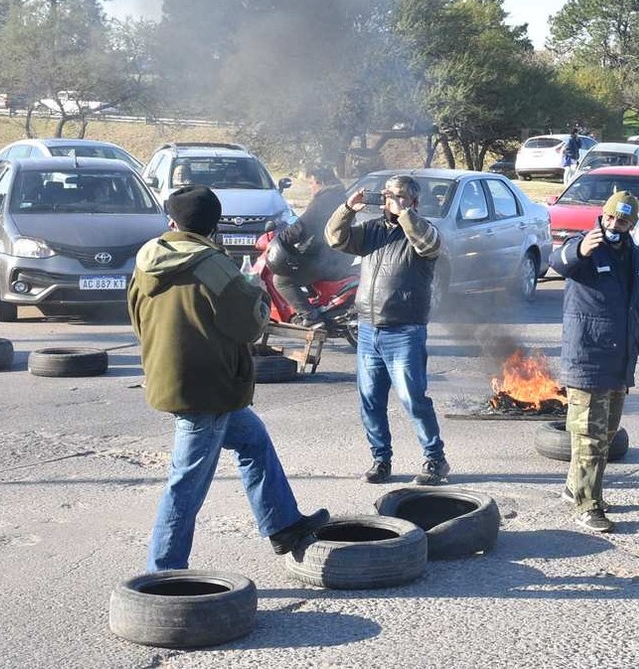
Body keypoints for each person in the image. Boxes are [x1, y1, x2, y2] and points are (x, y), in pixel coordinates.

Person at [129, 184, 328, 571]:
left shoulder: (146, 260)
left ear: (172, 222)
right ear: (214, 225)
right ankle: (163, 572)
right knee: (186, 484)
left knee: (253, 440)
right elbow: (250, 325)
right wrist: (259, 297)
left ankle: (283, 524)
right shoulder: (212, 265)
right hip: (209, 386)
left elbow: (136, 316)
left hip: (172, 378)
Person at [325, 173, 450, 486]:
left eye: (398, 196)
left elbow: (428, 244)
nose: (389, 202)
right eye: (387, 196)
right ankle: (381, 460)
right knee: (370, 399)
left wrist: (404, 211)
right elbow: (335, 238)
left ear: (414, 201)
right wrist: (348, 209)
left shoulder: (424, 232)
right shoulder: (372, 231)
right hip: (369, 329)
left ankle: (435, 459)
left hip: (404, 330)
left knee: (413, 398)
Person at [550, 191, 639, 534]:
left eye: (622, 221)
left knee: (606, 434)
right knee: (589, 437)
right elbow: (558, 261)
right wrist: (580, 249)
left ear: (632, 224)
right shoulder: (585, 245)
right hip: (588, 357)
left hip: (619, 361)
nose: (614, 225)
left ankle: (573, 488)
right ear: (602, 215)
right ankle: (587, 505)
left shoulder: (635, 256)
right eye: (610, 218)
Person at [271, 165, 352, 325]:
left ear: (320, 182)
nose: (310, 187)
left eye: (311, 183)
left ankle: (309, 316)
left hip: (328, 259)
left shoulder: (325, 200)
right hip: (338, 256)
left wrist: (282, 238)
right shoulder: (339, 196)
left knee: (281, 280)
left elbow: (303, 226)